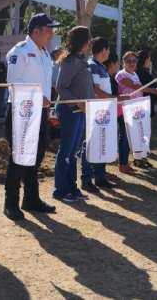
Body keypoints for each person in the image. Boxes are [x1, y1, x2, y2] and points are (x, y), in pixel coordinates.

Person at [3, 13, 59, 220]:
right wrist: (38, 98)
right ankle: (10, 202)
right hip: (22, 112)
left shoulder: (44, 53)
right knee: (18, 157)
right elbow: (14, 84)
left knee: (36, 156)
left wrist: (47, 98)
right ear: (35, 31)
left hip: (40, 112)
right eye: (48, 29)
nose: (51, 33)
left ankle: (31, 198)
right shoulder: (20, 52)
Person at [53, 26, 93, 203]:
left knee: (74, 151)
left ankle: (72, 187)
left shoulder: (82, 60)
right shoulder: (70, 61)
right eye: (89, 39)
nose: (91, 42)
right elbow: (60, 86)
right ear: (84, 41)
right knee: (66, 151)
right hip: (70, 111)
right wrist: (78, 102)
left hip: (80, 112)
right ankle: (60, 190)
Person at [79, 37, 117, 192]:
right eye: (108, 50)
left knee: (102, 143)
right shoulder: (92, 66)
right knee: (89, 145)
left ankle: (100, 177)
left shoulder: (100, 66)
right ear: (103, 50)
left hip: (102, 113)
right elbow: (95, 90)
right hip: (94, 113)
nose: (108, 53)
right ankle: (86, 179)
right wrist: (113, 98)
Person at [115, 51, 156, 174]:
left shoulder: (134, 74)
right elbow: (136, 88)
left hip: (135, 111)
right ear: (124, 63)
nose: (131, 63)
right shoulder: (121, 75)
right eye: (128, 61)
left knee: (131, 138)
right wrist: (155, 91)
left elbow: (138, 90)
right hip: (124, 110)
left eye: (134, 61)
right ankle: (122, 164)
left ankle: (126, 162)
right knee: (125, 138)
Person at [133, 50, 157, 169]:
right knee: (141, 134)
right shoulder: (140, 73)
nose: (150, 61)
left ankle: (143, 157)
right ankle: (139, 159)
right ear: (145, 59)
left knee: (145, 135)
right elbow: (145, 88)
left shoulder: (142, 72)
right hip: (142, 107)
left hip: (146, 106)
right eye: (149, 58)